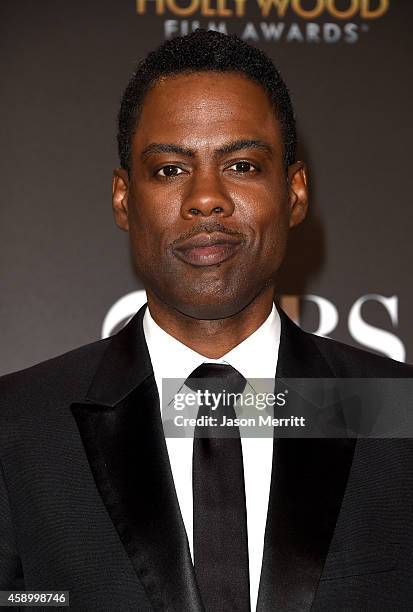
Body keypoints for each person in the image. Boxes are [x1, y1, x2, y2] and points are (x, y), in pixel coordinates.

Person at [1, 29, 412, 612]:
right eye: (170, 170)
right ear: (123, 198)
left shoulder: (398, 414)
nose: (206, 198)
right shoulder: (17, 428)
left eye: (242, 164)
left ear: (294, 192)